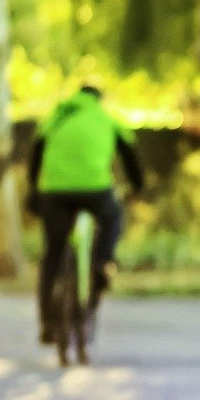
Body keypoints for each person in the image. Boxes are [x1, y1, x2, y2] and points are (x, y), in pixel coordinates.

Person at [27, 85, 143, 344]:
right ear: (99, 100)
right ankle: (102, 261)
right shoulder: (107, 119)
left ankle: (47, 323)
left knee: (53, 254)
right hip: (95, 190)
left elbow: (35, 154)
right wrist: (137, 188)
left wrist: (33, 192)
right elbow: (131, 158)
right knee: (113, 217)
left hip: (54, 192)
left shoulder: (55, 117)